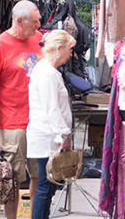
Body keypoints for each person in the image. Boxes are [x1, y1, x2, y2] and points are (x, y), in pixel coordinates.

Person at [0, 0, 43, 219]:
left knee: (40, 176)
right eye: (35, 21)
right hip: (13, 123)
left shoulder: (39, 39)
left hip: (39, 122)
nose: (39, 24)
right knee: (13, 179)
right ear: (20, 21)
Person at [27, 30, 75, 219]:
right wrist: (64, 134)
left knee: (47, 187)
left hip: (47, 135)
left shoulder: (46, 70)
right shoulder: (47, 72)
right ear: (59, 48)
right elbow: (51, 108)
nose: (71, 54)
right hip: (47, 136)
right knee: (45, 188)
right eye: (69, 49)